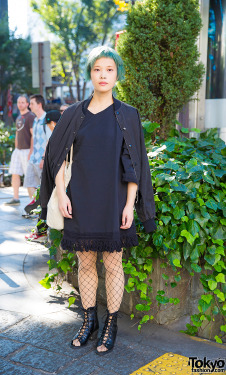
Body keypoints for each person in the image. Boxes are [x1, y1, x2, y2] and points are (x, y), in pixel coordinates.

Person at [40, 46, 157, 355]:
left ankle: (111, 324)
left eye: (109, 69)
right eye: (97, 69)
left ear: (117, 75)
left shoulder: (127, 114)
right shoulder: (73, 114)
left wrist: (130, 204)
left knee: (114, 261)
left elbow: (135, 163)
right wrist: (62, 192)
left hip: (114, 199)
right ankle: (90, 319)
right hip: (78, 199)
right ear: (90, 74)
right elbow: (57, 158)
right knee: (85, 260)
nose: (103, 75)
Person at [25, 109, 61, 241]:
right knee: (44, 202)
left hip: (54, 178)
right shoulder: (62, 134)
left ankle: (41, 232)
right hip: (54, 178)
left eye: (47, 125)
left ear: (51, 123)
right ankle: (41, 231)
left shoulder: (58, 135)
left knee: (45, 202)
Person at [5, 95, 35, 205]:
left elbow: (33, 135)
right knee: (15, 173)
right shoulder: (18, 117)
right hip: (18, 150)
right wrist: (16, 147)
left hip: (27, 150)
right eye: (18, 102)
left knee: (29, 178)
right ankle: (16, 198)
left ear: (27, 104)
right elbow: (17, 133)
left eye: (23, 102)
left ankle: (33, 203)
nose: (20, 104)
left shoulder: (30, 116)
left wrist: (31, 151)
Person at [23, 94, 52, 203]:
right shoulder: (35, 120)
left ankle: (42, 209)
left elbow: (49, 140)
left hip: (41, 159)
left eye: (32, 104)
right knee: (29, 183)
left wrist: (44, 158)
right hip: (33, 158)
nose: (30, 106)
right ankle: (35, 207)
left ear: (39, 105)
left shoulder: (47, 120)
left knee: (44, 186)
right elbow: (33, 138)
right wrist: (30, 153)